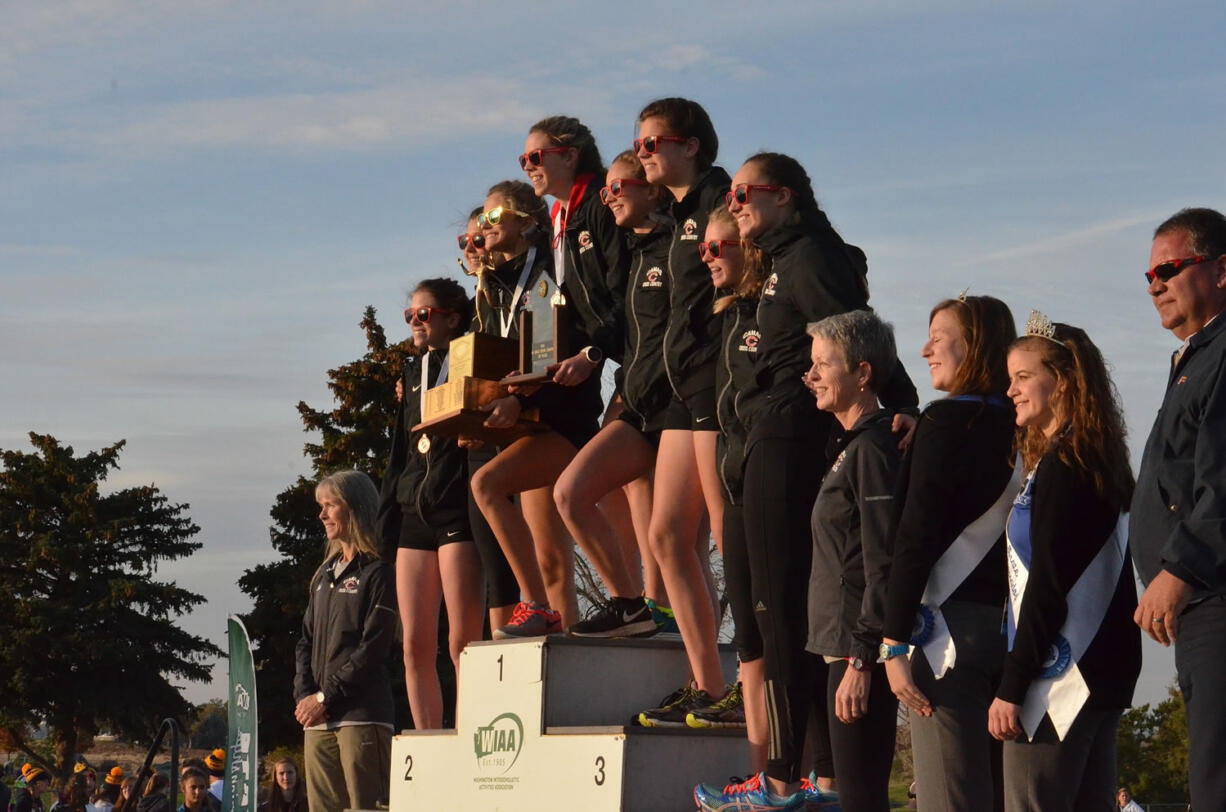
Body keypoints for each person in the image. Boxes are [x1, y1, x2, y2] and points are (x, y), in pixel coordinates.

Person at [696, 152, 917, 811]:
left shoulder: (813, 254)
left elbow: (858, 340)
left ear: (785, 196)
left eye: (744, 192)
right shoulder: (782, 260)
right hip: (766, 444)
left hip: (791, 442)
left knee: (782, 612)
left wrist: (898, 410)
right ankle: (803, 776)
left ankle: (788, 778)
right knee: (776, 611)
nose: (733, 201)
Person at [474, 117, 631, 638]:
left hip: (564, 406)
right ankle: (564, 617)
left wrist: (581, 359)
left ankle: (620, 606)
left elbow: (573, 325)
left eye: (534, 156)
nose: (528, 164)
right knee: (549, 544)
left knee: (503, 495)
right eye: (523, 160)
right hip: (540, 408)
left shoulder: (559, 246)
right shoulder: (555, 235)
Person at [989, 314, 1140, 811]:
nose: (1010, 389)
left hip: (1058, 681)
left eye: (1023, 377)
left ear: (1065, 381)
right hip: (1103, 676)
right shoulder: (1098, 459)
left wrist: (1012, 685)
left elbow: (1047, 587)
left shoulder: (1063, 467)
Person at [880, 294, 1018, 812]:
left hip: (946, 637)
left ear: (975, 344)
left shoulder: (941, 423)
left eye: (938, 338)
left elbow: (913, 538)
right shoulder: (1028, 425)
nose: (925, 350)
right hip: (1015, 633)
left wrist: (892, 643)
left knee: (950, 798)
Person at [630, 97, 733, 728]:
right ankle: (708, 683)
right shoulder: (667, 218)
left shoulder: (722, 204)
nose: (643, 153)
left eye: (652, 143)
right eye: (638, 144)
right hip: (677, 395)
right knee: (667, 537)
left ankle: (752, 680)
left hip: (718, 391)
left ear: (690, 144)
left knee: (727, 538)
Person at [1130, 207, 1226, 811]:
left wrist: (1179, 570)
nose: (1155, 284)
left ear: (1221, 270)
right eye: (1148, 276)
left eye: (1168, 267)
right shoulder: (1197, 358)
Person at [554, 148, 671, 637]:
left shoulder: (672, 245)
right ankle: (636, 603)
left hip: (679, 398)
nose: (609, 199)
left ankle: (655, 610)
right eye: (605, 192)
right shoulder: (633, 248)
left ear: (651, 190)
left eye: (619, 188)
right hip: (634, 387)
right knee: (585, 493)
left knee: (677, 538)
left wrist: (593, 355)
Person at [803, 310, 904, 812]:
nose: (812, 376)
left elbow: (882, 559)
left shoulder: (872, 448)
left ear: (863, 374)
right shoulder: (849, 445)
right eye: (810, 365)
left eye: (824, 364)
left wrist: (862, 658)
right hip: (837, 650)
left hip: (854, 654)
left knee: (863, 801)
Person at [377, 277, 484, 730]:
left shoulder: (472, 358)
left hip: (454, 506)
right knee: (415, 645)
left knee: (462, 640)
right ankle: (428, 738)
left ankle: (469, 736)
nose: (415, 323)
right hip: (412, 510)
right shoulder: (410, 371)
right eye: (410, 316)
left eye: (425, 315)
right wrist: (390, 505)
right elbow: (401, 446)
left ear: (453, 318)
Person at [684, 206, 762, 752]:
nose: (706, 256)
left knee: (763, 614)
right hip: (726, 452)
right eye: (703, 247)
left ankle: (783, 767)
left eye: (719, 246)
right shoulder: (727, 312)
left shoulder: (770, 310)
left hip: (761, 471)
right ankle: (728, 690)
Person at [294, 470, 397, 812]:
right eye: (320, 506)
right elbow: (305, 642)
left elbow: (374, 647)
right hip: (318, 721)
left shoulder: (379, 572)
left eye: (330, 505)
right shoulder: (323, 576)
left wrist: (326, 696)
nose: (322, 515)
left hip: (362, 716)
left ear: (355, 508)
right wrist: (305, 696)